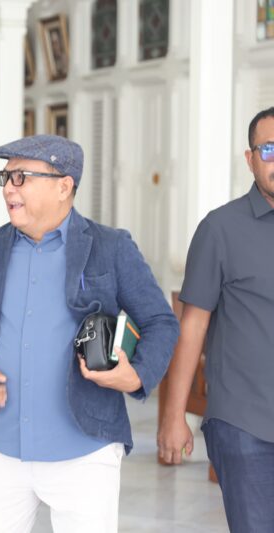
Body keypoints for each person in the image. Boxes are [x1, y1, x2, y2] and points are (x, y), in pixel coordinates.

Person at [0, 134, 178, 532]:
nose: (8, 189)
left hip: (84, 449)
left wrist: (137, 375)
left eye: (22, 177)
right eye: (6, 177)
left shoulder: (111, 247)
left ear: (64, 186)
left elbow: (161, 321)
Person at [157, 107, 274, 533]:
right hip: (245, 426)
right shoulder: (220, 229)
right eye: (269, 149)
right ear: (250, 158)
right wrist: (174, 416)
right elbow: (192, 327)